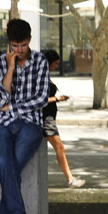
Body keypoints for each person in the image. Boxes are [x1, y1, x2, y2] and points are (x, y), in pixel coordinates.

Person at [0, 18, 48, 214]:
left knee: (9, 170)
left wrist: (12, 109)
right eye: (15, 45)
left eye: (23, 45)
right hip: (2, 125)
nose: (20, 50)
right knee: (7, 166)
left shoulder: (41, 61)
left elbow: (41, 98)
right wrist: (10, 68)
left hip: (30, 125)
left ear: (30, 41)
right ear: (9, 43)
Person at [39, 49, 83, 189]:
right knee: (59, 147)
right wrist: (58, 98)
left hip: (48, 117)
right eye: (55, 63)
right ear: (49, 63)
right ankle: (70, 178)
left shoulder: (44, 76)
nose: (57, 66)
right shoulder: (41, 78)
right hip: (46, 119)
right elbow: (40, 100)